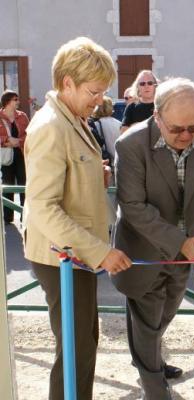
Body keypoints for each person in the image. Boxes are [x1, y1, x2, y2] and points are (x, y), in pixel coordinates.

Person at [111, 77, 194, 400]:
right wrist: (180, 241)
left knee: (164, 316)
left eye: (193, 127)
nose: (186, 137)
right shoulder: (130, 145)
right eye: (177, 129)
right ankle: (154, 386)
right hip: (143, 250)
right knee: (147, 320)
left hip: (186, 253)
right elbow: (133, 207)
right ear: (156, 115)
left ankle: (149, 358)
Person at [23, 37, 132, 400]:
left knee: (83, 344)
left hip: (74, 255)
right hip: (63, 257)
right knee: (75, 350)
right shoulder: (51, 126)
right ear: (67, 82)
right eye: (94, 91)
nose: (99, 99)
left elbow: (67, 179)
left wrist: (91, 174)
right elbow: (42, 207)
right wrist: (100, 251)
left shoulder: (72, 117)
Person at [0, 90, 29, 223]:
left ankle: (25, 214)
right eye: (15, 99)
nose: (18, 102)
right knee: (7, 184)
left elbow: (30, 134)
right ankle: (7, 217)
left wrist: (18, 141)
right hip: (6, 155)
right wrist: (7, 140)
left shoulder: (22, 116)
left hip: (21, 154)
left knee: (24, 184)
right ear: (7, 102)